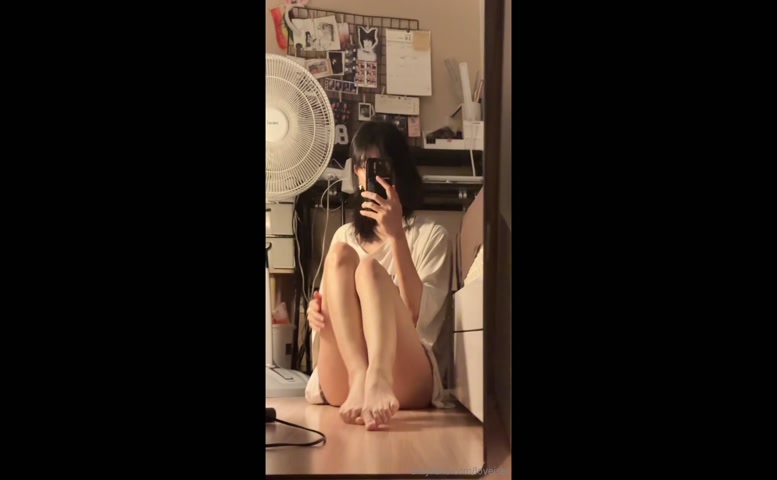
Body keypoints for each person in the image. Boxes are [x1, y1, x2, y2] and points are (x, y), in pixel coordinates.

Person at [305, 121, 451, 431]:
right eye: (363, 165)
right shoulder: (344, 235)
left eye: (380, 165)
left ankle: (377, 377)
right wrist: (315, 312)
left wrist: (397, 236)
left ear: (398, 170)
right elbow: (327, 317)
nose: (369, 174)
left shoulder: (431, 235)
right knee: (340, 254)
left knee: (370, 269)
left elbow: (418, 317)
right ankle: (361, 375)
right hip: (347, 380)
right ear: (357, 174)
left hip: (405, 376)